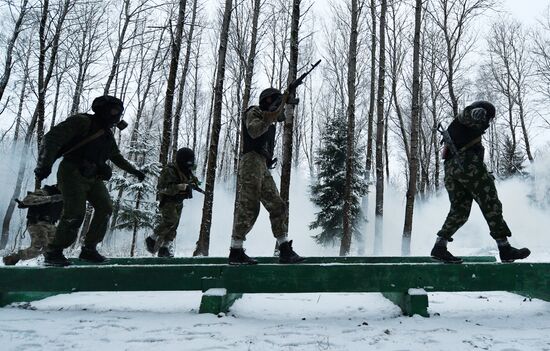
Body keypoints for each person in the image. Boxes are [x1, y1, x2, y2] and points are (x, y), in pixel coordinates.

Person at [34, 95, 145, 267]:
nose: (117, 115)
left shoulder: (107, 134)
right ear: (103, 109)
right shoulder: (82, 121)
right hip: (72, 172)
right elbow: (52, 138)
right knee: (75, 212)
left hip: (93, 176)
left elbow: (116, 156)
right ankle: (54, 251)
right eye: (114, 110)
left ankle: (89, 249)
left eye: (119, 112)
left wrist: (135, 171)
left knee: (106, 207)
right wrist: (44, 165)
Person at [431, 101, 530, 263]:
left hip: (451, 169)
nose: (488, 124)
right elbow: (468, 114)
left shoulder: (459, 128)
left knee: (459, 211)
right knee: (490, 203)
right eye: (489, 119)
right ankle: (505, 248)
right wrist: (479, 113)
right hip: (466, 164)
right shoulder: (471, 115)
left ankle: (439, 247)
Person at [229, 87, 304, 265]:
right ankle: (235, 250)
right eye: (276, 102)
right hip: (250, 162)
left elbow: (279, 118)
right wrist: (272, 114)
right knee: (249, 206)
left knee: (277, 205)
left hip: (261, 164)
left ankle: (284, 249)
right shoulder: (254, 111)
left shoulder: (268, 117)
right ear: (267, 101)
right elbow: (254, 131)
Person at [145, 147, 199, 258]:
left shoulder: (187, 170)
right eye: (188, 161)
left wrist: (194, 184)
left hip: (179, 201)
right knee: (171, 220)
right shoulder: (169, 170)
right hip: (168, 200)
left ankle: (165, 248)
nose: (189, 164)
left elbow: (192, 181)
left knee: (174, 226)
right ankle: (152, 238)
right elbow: (161, 188)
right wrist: (178, 187)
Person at [2, 185, 63, 265]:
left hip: (51, 224)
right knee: (39, 247)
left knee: (55, 246)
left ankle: (52, 260)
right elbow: (27, 200)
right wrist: (51, 198)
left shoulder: (64, 196)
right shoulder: (46, 191)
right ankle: (13, 258)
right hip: (37, 223)